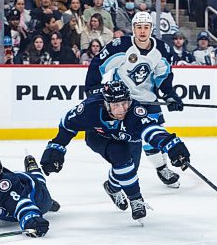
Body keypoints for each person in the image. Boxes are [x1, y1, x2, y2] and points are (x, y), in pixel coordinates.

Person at [39, 81, 190, 221]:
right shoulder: (89, 108)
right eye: (116, 105)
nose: (122, 109)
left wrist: (172, 145)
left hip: (129, 140)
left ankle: (112, 187)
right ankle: (136, 199)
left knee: (128, 172)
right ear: (106, 104)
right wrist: (56, 148)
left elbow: (151, 130)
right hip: (98, 137)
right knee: (122, 159)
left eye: (125, 103)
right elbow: (67, 125)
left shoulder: (135, 112)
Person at [85, 12, 185, 188]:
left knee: (155, 134)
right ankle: (121, 177)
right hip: (125, 102)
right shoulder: (121, 46)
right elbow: (98, 64)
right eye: (139, 27)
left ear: (151, 29)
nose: (142, 31)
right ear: (133, 29)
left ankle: (161, 168)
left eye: (146, 27)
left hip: (148, 99)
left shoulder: (161, 49)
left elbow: (164, 75)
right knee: (133, 141)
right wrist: (92, 88)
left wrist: (169, 94)